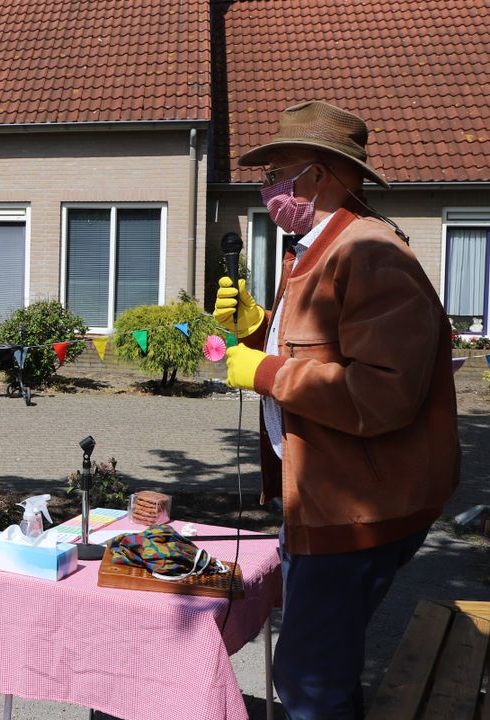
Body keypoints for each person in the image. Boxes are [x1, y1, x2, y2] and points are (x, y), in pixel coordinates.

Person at [215, 100, 460, 719]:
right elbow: (325, 348)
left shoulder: (369, 253)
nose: (267, 187)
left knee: (308, 685)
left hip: (353, 511)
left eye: (277, 173)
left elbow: (381, 392)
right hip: (324, 503)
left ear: (319, 176)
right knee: (314, 672)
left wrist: (263, 372)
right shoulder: (312, 249)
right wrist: (256, 330)